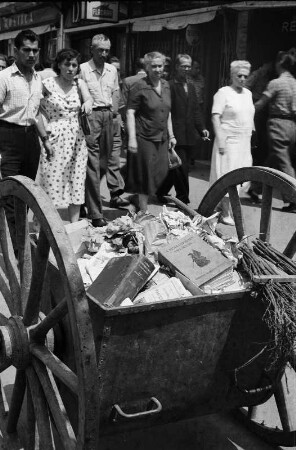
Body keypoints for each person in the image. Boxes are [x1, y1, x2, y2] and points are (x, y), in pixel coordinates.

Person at [0, 29, 52, 246]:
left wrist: (45, 139)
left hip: (31, 140)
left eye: (35, 50)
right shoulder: (4, 78)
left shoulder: (38, 78)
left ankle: (19, 236)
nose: (31, 55)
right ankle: (16, 246)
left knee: (27, 191)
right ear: (16, 50)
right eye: (26, 50)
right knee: (10, 194)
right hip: (7, 136)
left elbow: (36, 113)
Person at [38, 48, 92, 223]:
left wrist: (88, 105)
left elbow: (89, 99)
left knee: (76, 181)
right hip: (54, 135)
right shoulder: (47, 83)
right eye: (67, 64)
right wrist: (44, 134)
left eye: (74, 65)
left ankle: (74, 227)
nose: (71, 68)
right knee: (51, 180)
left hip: (77, 137)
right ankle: (46, 227)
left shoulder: (79, 84)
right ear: (59, 65)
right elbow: (36, 108)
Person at [80, 34, 128, 228]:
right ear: (91, 49)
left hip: (109, 116)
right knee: (92, 164)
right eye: (100, 50)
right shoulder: (82, 69)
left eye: (107, 50)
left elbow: (115, 92)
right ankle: (95, 213)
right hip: (91, 117)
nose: (104, 54)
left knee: (104, 162)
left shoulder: (111, 70)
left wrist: (114, 112)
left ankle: (83, 199)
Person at [126, 51, 176, 214]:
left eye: (160, 66)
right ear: (147, 67)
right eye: (153, 66)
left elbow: (167, 112)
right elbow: (130, 112)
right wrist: (132, 138)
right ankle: (143, 209)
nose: (157, 69)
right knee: (145, 173)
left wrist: (171, 134)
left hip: (162, 136)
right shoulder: (139, 86)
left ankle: (137, 197)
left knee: (161, 171)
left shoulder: (167, 85)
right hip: (144, 136)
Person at [157, 54, 209, 205]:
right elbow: (166, 111)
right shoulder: (169, 85)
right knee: (182, 167)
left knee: (176, 166)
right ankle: (183, 198)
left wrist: (202, 129)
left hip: (189, 134)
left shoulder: (191, 87)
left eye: (188, 66)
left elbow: (196, 111)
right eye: (183, 66)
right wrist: (168, 133)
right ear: (176, 67)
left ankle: (160, 191)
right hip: (174, 133)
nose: (186, 69)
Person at [209, 60, 255, 225]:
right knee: (227, 174)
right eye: (239, 75)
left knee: (243, 175)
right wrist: (220, 139)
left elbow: (248, 114)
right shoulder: (223, 92)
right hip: (228, 140)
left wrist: (252, 132)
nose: (242, 79)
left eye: (245, 76)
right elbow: (215, 116)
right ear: (232, 76)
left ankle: (226, 208)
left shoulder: (248, 94)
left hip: (244, 140)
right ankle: (225, 212)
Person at [255, 51, 296, 212]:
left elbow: (260, 104)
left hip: (278, 125)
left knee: (283, 162)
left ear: (279, 64)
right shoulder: (295, 83)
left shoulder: (276, 83)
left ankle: (293, 198)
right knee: (275, 158)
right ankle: (255, 187)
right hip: (292, 126)